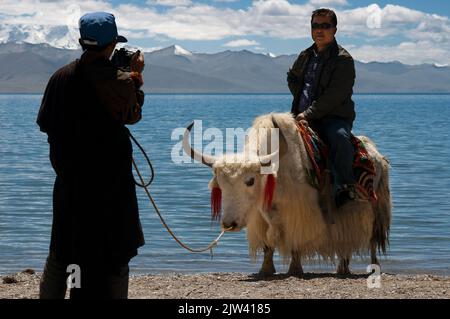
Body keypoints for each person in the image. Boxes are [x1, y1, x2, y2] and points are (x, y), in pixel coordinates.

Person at [37, 12, 145, 299]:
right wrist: (136, 76)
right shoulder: (120, 81)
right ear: (112, 44)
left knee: (62, 254)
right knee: (114, 257)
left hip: (69, 185)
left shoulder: (59, 77)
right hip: (110, 191)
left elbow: (45, 124)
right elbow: (133, 115)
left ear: (82, 41)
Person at [287, 8, 357, 208]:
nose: (319, 30)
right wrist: (300, 100)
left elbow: (335, 95)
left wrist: (308, 113)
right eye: (315, 26)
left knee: (339, 137)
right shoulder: (305, 55)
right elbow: (292, 78)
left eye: (325, 26)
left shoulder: (343, 59)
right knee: (270, 137)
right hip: (300, 115)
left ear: (334, 29)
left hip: (333, 117)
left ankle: (345, 186)